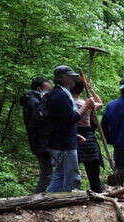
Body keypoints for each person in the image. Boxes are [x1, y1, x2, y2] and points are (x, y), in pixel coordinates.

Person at [46, 65, 94, 193]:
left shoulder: (60, 93)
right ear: (64, 79)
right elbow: (71, 117)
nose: (74, 80)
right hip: (64, 146)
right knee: (72, 178)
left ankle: (49, 201)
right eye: (71, 77)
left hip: (62, 141)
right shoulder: (60, 95)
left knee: (60, 176)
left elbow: (62, 120)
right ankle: (69, 206)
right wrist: (86, 106)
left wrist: (74, 135)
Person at [20, 77, 53, 193]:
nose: (50, 92)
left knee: (48, 172)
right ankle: (36, 199)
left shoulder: (33, 100)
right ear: (40, 88)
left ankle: (40, 198)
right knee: (47, 173)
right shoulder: (33, 101)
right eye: (48, 89)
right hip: (41, 142)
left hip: (40, 141)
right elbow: (40, 120)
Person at [71, 80, 104, 193]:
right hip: (88, 137)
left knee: (71, 171)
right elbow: (100, 103)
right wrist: (90, 89)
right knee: (93, 172)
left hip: (72, 136)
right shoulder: (86, 104)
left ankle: (72, 193)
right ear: (81, 90)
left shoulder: (68, 103)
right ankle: (97, 191)